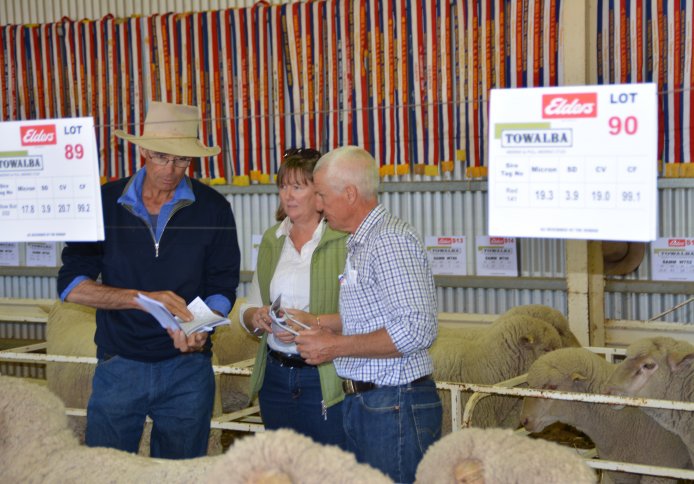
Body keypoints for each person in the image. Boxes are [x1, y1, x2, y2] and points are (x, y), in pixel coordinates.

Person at [57, 101, 241, 459]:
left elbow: (221, 286)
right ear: (141, 150)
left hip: (188, 369)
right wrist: (140, 298)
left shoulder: (214, 207)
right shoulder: (104, 202)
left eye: (182, 160)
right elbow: (72, 285)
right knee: (109, 471)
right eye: (160, 156)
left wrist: (199, 327)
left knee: (181, 475)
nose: (171, 170)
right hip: (120, 363)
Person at [292, 146, 442, 483]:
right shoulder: (363, 240)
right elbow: (376, 315)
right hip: (376, 403)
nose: (318, 204)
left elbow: (416, 329)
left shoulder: (387, 240)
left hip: (393, 404)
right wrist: (316, 323)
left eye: (321, 195)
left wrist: (333, 347)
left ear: (349, 194)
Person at [238, 148, 348, 447]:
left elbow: (364, 315)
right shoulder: (273, 240)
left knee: (326, 469)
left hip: (324, 376)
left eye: (298, 186)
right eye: (284, 186)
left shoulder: (344, 241)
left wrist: (317, 324)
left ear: (319, 192)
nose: (288, 195)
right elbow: (248, 305)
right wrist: (256, 317)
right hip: (275, 376)